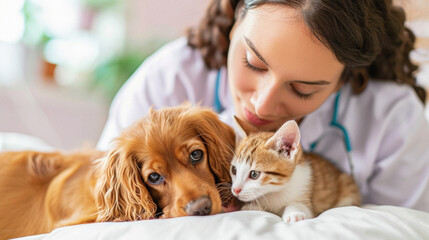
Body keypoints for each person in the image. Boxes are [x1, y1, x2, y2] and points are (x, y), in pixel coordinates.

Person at [96, 0, 429, 212]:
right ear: (235, 17)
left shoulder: (394, 119)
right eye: (253, 63)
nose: (262, 103)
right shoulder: (166, 79)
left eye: (302, 89)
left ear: (344, 80)